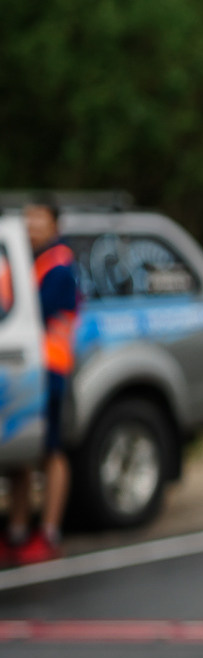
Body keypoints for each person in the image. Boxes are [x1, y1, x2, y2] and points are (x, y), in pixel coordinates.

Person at [6, 200, 78, 565]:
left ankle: (49, 532)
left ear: (55, 224)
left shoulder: (60, 265)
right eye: (28, 216)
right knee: (24, 448)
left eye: (39, 217)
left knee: (51, 450)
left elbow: (33, 312)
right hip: (28, 370)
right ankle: (17, 530)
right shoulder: (27, 260)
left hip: (51, 368)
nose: (31, 223)